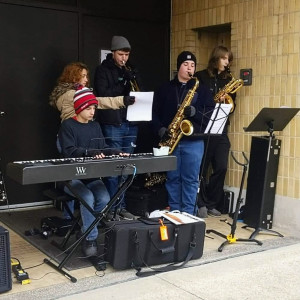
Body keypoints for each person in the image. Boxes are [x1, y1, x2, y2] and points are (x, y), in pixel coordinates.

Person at [49, 62, 135, 219]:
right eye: (83, 75)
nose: (86, 79)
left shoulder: (68, 93)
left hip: (77, 134)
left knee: (75, 170)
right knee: (74, 171)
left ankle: (69, 218)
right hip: (73, 135)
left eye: (86, 75)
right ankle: (73, 219)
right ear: (73, 76)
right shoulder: (74, 94)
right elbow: (99, 101)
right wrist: (122, 100)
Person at [58, 86, 129, 256]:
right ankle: (91, 239)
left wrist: (116, 152)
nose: (92, 112)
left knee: (104, 198)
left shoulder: (95, 126)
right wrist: (89, 152)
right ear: (79, 108)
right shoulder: (67, 126)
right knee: (88, 197)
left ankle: (85, 230)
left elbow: (102, 147)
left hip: (89, 176)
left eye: (94, 108)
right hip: (71, 178)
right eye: (88, 108)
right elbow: (68, 150)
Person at [152, 51, 215, 215]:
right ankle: (174, 212)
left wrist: (195, 112)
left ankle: (188, 214)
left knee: (191, 180)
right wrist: (160, 129)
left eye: (193, 65)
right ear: (178, 66)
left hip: (193, 140)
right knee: (172, 179)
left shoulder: (203, 90)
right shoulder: (164, 88)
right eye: (186, 65)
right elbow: (154, 113)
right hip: (172, 140)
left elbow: (210, 115)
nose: (189, 68)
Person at [94, 36, 142, 220]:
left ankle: (121, 206)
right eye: (121, 54)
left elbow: (138, 93)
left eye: (127, 54)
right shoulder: (102, 70)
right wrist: (123, 81)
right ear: (113, 53)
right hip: (113, 123)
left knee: (126, 168)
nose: (124, 58)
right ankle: (110, 208)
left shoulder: (130, 69)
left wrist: (134, 79)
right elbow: (104, 95)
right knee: (114, 168)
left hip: (130, 122)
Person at [195, 45, 236, 218]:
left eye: (228, 59)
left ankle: (212, 202)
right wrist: (213, 102)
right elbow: (196, 103)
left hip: (221, 128)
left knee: (221, 167)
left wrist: (224, 103)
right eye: (224, 58)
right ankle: (200, 202)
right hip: (204, 128)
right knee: (202, 169)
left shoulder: (229, 80)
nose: (227, 62)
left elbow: (232, 107)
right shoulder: (201, 77)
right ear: (216, 58)